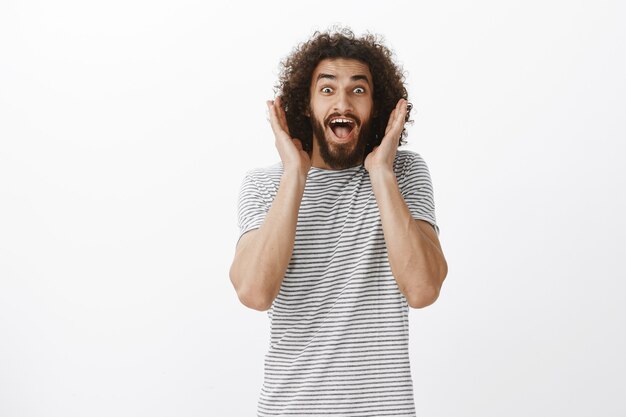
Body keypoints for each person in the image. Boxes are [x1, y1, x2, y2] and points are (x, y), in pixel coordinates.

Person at [229, 27, 448, 417]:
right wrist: (294, 173)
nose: (343, 102)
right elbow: (254, 293)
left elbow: (423, 289)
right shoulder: (264, 184)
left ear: (376, 107)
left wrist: (381, 171)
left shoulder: (403, 174)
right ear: (305, 104)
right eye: (327, 89)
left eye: (358, 90)